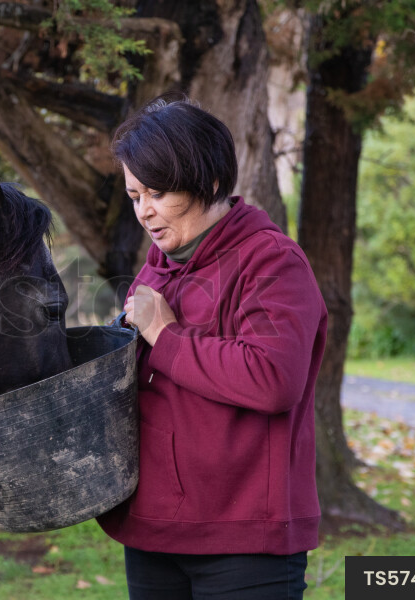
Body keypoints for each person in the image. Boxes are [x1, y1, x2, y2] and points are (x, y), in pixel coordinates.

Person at [97, 94, 328, 599]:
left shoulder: (271, 261)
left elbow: (273, 380)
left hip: (245, 541)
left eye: (157, 193)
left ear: (213, 183)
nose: (145, 212)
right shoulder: (159, 264)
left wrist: (166, 335)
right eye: (136, 196)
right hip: (153, 533)